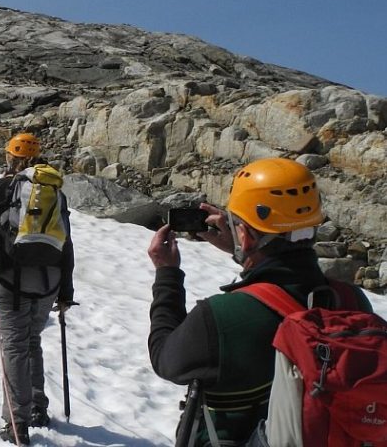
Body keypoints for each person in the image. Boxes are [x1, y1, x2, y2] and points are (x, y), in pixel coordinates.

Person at [147, 157, 373, 446]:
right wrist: (244, 251)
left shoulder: (219, 317)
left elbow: (165, 359)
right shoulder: (352, 302)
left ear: (244, 234)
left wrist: (167, 275)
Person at [0, 132, 75, 445]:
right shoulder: (54, 191)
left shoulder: (7, 185)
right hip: (49, 280)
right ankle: (38, 407)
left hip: (11, 278)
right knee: (32, 340)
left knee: (14, 347)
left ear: (10, 156)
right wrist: (65, 293)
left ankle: (17, 422)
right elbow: (67, 243)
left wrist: (1, 189)